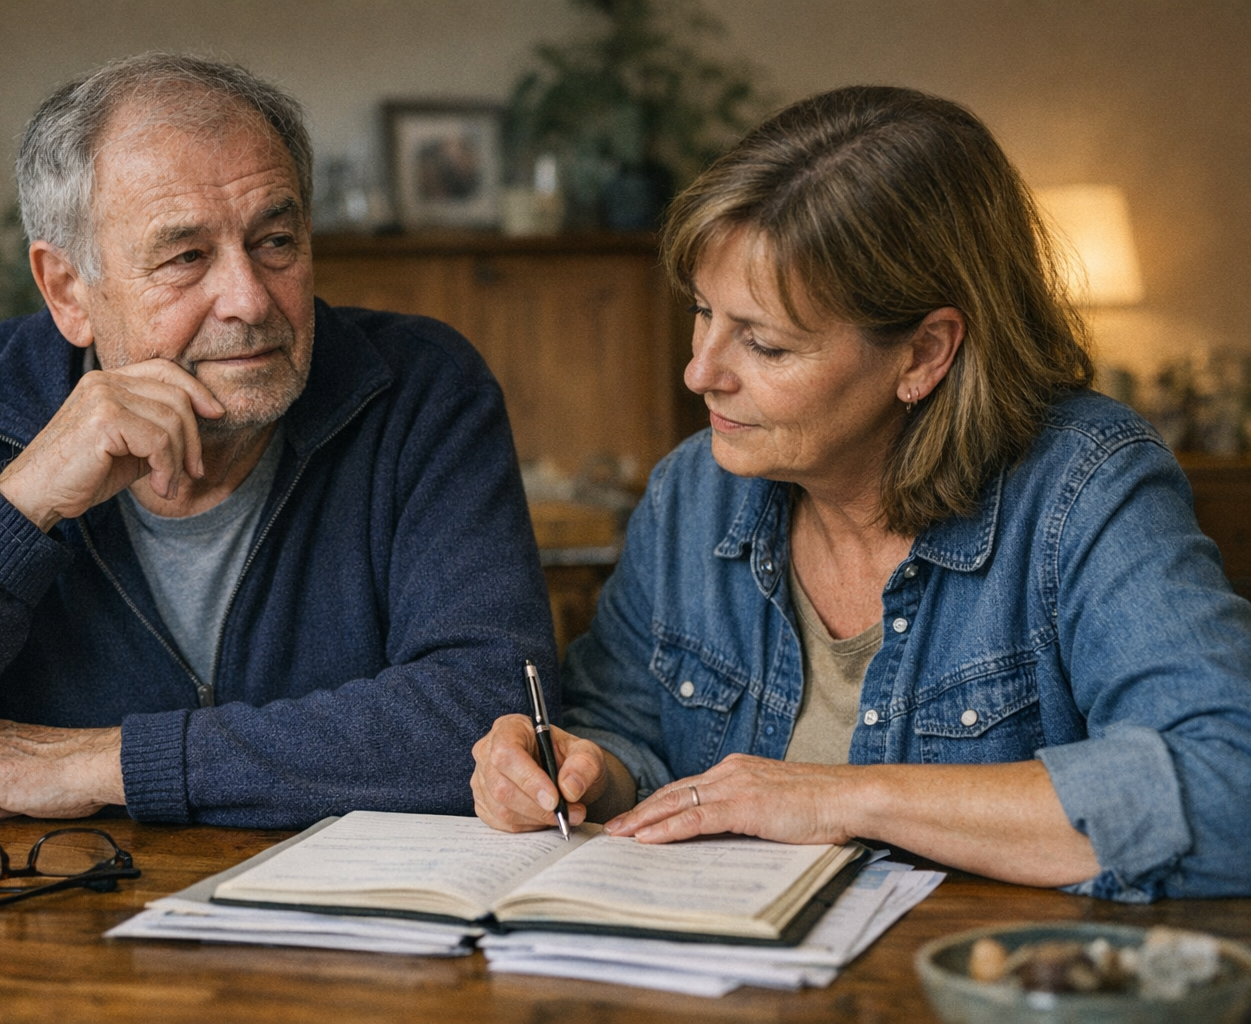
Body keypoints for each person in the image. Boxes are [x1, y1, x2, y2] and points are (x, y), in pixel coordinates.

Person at [471, 85, 1251, 901]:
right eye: (704, 313)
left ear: (924, 353)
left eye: (766, 346)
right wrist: (580, 768)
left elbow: (1229, 783)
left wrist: (843, 797)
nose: (701, 372)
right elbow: (624, 728)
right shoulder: (691, 494)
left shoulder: (1085, 487)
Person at [0, 53, 556, 827]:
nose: (247, 298)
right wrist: (16, 507)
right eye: (185, 257)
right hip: (60, 936)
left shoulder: (420, 388)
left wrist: (111, 764)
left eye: (275, 242)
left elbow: (490, 718)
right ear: (68, 290)